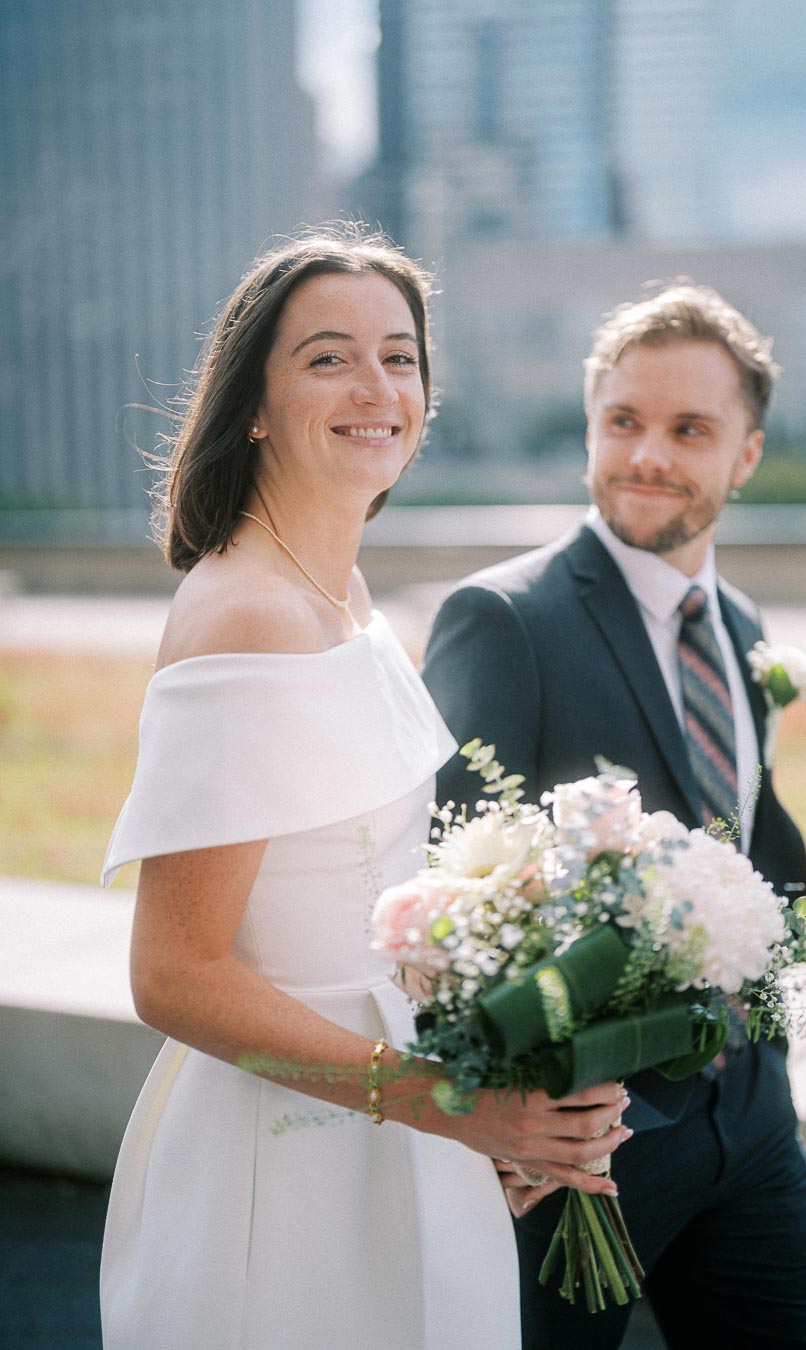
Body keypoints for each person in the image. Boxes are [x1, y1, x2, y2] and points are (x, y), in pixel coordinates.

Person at [98, 227, 632, 1350]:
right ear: (252, 403)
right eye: (329, 358)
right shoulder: (247, 613)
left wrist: (499, 1104)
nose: (377, 387)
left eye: (400, 356)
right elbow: (174, 974)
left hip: (396, 1119)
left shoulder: (340, 594)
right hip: (286, 1164)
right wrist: (459, 1106)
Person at [422, 284, 806, 1350]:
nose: (647, 454)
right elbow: (451, 896)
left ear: (746, 456)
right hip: (579, 1153)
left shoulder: (740, 625)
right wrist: (508, 1118)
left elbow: (750, 834)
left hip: (749, 1125)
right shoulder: (502, 619)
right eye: (623, 422)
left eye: (689, 429)